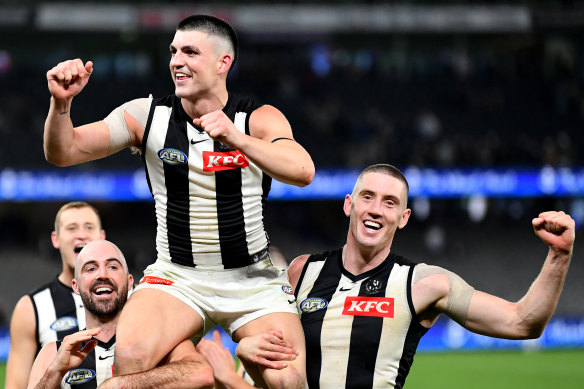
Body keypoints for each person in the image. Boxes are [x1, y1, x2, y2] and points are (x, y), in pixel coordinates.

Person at [43, 14, 313, 389]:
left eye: (190, 51)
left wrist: (237, 137)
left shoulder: (257, 118)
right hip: (177, 277)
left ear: (223, 63)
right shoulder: (146, 115)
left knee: (287, 380)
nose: (176, 61)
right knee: (131, 357)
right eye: (173, 51)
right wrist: (61, 105)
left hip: (253, 279)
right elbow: (64, 151)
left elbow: (303, 170)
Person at [237, 163, 576, 388]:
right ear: (348, 204)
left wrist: (559, 256)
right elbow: (274, 359)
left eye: (389, 202)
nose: (375, 209)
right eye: (367, 197)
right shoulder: (302, 271)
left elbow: (522, 322)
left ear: (403, 217)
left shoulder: (424, 283)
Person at [27, 239, 214, 389]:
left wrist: (121, 384)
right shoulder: (54, 352)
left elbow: (202, 375)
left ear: (130, 281)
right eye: (91, 269)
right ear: (75, 286)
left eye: (113, 267)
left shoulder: (162, 342)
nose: (102, 275)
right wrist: (56, 372)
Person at [5, 202, 106, 389]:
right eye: (71, 228)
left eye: (89, 227)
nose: (81, 234)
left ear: (102, 237)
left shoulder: (133, 298)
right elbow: (15, 385)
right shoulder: (31, 307)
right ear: (55, 239)